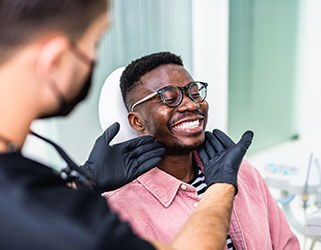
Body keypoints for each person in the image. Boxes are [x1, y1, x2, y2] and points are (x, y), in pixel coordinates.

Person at [0, 1, 253, 249]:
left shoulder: (25, 195)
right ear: (55, 60)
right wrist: (221, 185)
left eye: (193, 92)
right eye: (95, 42)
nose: (93, 59)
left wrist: (84, 180)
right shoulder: (65, 218)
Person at [101, 52, 300, 249]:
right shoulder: (120, 212)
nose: (190, 104)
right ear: (137, 121)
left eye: (195, 93)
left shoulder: (241, 173)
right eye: (170, 98)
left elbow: (286, 245)